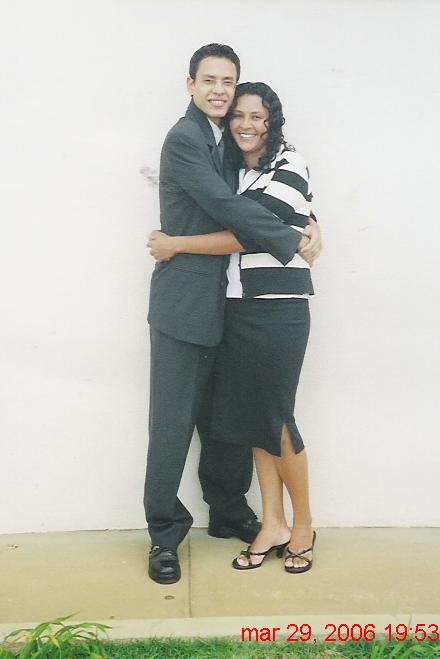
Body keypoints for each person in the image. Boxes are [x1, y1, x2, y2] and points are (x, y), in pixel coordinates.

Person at [145, 44, 321, 584]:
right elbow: (226, 207)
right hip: (183, 306)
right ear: (191, 84)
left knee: (228, 422)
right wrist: (290, 237)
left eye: (228, 81)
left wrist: (310, 219)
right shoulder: (186, 139)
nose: (219, 91)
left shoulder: (230, 142)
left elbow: (271, 193)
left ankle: (227, 511)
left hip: (233, 307)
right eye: (210, 81)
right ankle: (164, 534)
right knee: (173, 424)